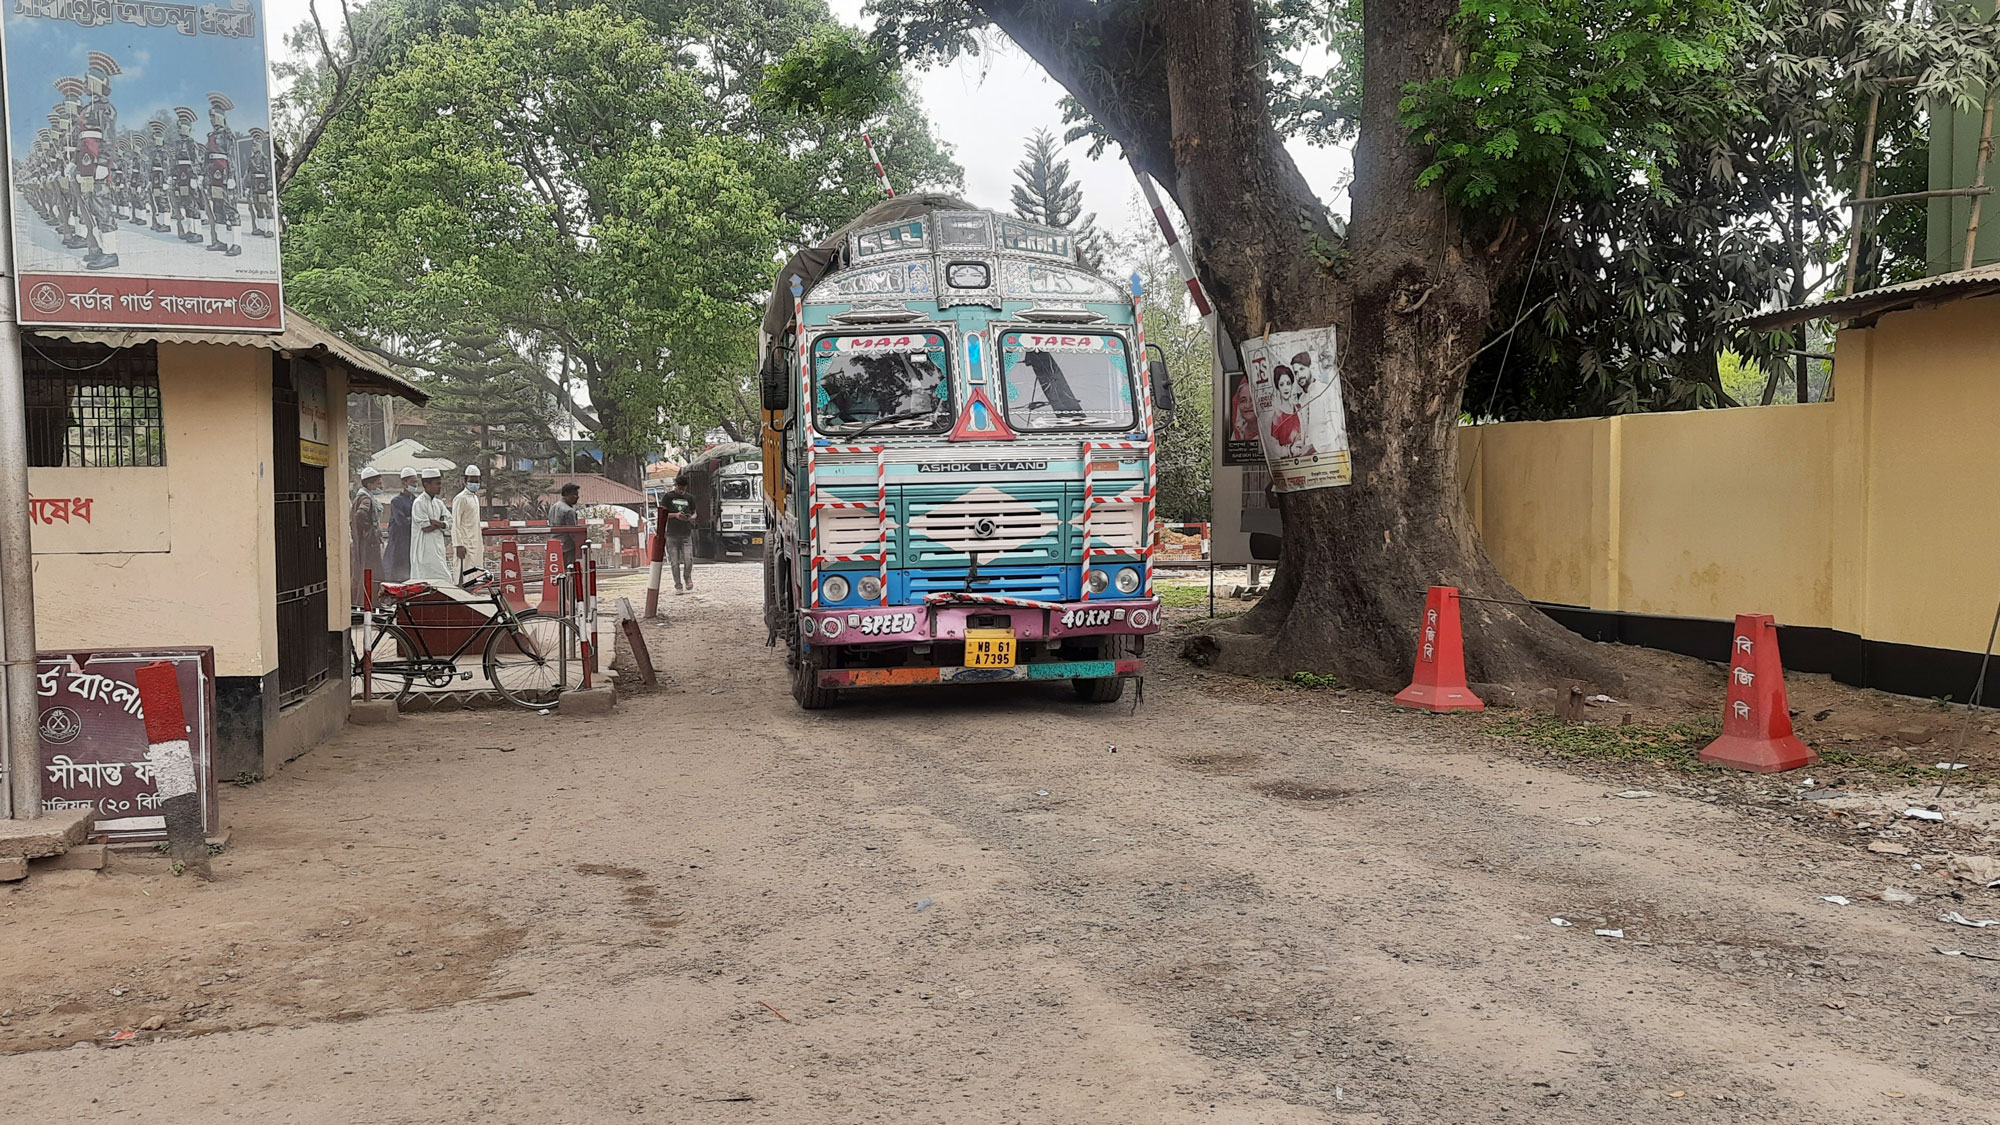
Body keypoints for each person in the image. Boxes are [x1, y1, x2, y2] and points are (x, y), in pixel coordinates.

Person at [409, 468, 454, 584]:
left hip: (438, 547)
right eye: (436, 484)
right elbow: (426, 527)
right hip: (423, 550)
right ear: (426, 485)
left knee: (444, 580)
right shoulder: (419, 503)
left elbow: (450, 521)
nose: (439, 487)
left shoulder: (438, 503)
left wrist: (437, 523)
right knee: (427, 580)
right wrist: (441, 524)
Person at [350, 469, 384, 606]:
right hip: (369, 545)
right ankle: (370, 604)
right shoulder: (366, 499)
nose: (381, 487)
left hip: (365, 544)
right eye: (379, 484)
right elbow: (360, 515)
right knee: (373, 573)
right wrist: (368, 530)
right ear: (370, 485)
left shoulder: (362, 496)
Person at [659, 476, 697, 595]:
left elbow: (695, 513)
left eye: (683, 488)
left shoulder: (689, 498)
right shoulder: (668, 497)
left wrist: (689, 517)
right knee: (674, 562)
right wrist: (675, 515)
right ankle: (678, 585)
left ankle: (687, 577)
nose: (681, 490)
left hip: (686, 533)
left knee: (688, 559)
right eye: (679, 488)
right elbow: (662, 514)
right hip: (672, 534)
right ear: (676, 486)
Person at [451, 464, 484, 584]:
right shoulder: (460, 499)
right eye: (471, 481)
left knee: (474, 573)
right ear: (465, 481)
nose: (474, 484)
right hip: (464, 543)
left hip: (475, 542)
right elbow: (455, 523)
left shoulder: (475, 498)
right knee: (463, 572)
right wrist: (458, 544)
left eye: (477, 481)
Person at [384, 467, 417, 581]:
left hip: (411, 540)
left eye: (416, 482)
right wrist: (415, 520)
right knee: (396, 569)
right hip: (398, 540)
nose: (415, 484)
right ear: (404, 483)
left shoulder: (416, 500)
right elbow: (401, 521)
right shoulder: (396, 501)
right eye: (413, 482)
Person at [549, 482, 583, 572]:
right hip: (567, 547)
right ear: (567, 494)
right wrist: (579, 546)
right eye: (575, 495)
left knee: (556, 572)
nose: (577, 497)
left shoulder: (554, 507)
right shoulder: (569, 511)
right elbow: (573, 533)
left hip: (554, 545)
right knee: (569, 572)